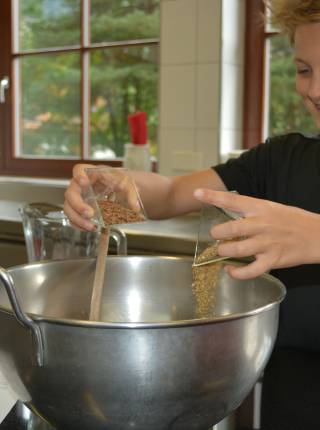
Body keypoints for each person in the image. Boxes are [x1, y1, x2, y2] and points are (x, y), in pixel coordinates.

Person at [64, 1, 320, 428]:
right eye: (304, 69)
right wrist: (110, 184)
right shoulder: (282, 159)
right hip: (290, 402)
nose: (314, 89)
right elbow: (169, 195)